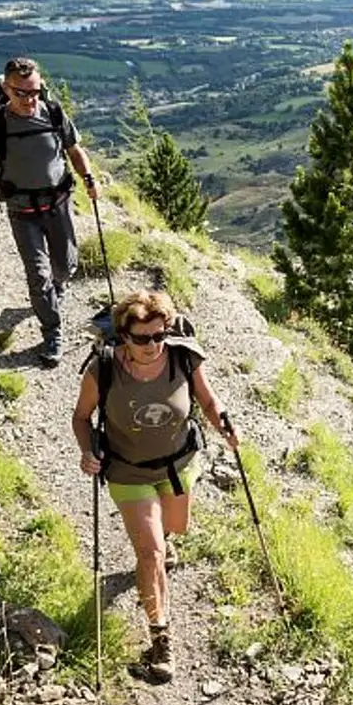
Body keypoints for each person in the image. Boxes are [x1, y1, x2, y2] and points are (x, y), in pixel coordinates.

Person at [72, 290, 238, 684]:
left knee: (176, 528)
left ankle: (163, 540)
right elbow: (81, 417)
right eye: (141, 337)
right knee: (150, 552)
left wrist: (224, 423)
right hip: (128, 472)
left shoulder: (182, 356)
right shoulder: (104, 368)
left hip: (179, 463)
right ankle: (160, 639)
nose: (151, 345)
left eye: (158, 335)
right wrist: (87, 451)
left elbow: (208, 400)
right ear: (123, 335)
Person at [0, 56, 97, 367]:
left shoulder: (53, 111)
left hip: (58, 203)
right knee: (38, 276)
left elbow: (73, 150)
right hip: (21, 209)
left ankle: (58, 287)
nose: (30, 99)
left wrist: (89, 178)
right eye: (21, 93)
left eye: (35, 92)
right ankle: (52, 331)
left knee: (65, 267)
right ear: (6, 89)